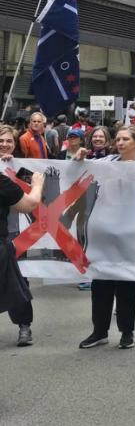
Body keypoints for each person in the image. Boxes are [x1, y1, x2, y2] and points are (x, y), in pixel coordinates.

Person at [73, 125, 135, 349]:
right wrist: (78, 158)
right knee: (101, 283)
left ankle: (127, 332)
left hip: (131, 232)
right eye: (117, 139)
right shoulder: (106, 163)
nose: (120, 143)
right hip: (104, 231)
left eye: (126, 139)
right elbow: (77, 170)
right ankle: (99, 331)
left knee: (126, 283)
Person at [0, 124, 44, 347]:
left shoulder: (18, 168)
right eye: (1, 140)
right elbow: (32, 200)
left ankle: (24, 326)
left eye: (9, 141)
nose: (4, 144)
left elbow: (40, 181)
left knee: (17, 283)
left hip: (14, 234)